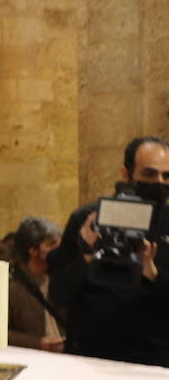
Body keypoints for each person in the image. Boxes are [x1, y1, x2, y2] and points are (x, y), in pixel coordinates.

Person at [50, 136, 169, 366]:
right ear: (126, 174)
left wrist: (153, 273)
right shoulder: (86, 219)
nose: (159, 182)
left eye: (166, 176)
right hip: (90, 359)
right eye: (149, 174)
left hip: (154, 365)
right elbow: (59, 294)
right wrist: (86, 256)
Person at [7, 216, 66, 353]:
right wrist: (38, 343)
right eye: (51, 244)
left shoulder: (62, 279)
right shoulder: (11, 288)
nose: (58, 250)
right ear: (33, 250)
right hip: (34, 361)